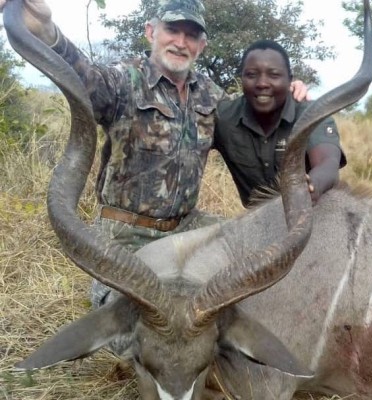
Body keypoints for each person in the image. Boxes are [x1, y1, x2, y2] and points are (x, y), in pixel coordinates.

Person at [0, 0, 308, 307]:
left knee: (253, 261)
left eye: (191, 35)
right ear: (151, 32)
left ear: (201, 46)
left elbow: (251, 114)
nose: (180, 42)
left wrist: (286, 93)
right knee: (140, 319)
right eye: (172, 30)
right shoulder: (124, 80)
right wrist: (46, 30)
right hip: (126, 236)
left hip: (188, 229)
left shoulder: (210, 94)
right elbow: (84, 74)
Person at [214, 39, 346, 207]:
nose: (262, 83)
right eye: (251, 75)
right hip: (256, 219)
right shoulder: (223, 117)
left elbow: (328, 163)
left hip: (311, 212)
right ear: (242, 78)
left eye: (274, 75)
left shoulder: (311, 114)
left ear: (289, 80)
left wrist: (310, 187)